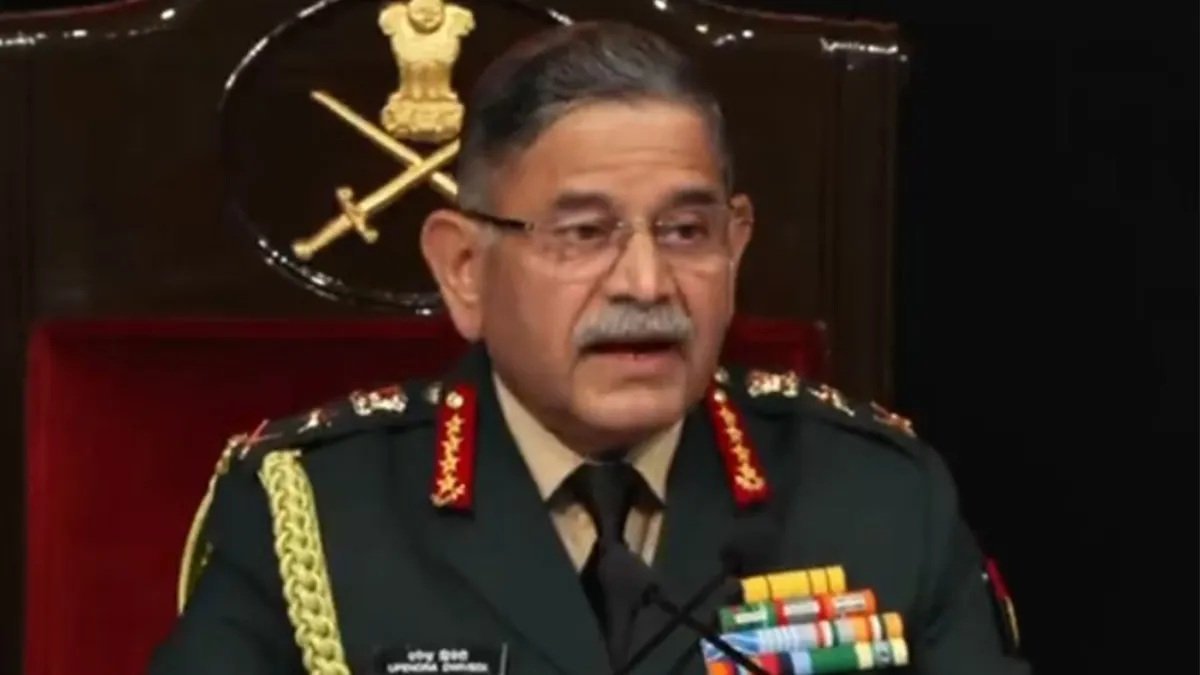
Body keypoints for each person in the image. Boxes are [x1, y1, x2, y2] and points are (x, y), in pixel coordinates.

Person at [148, 20, 1030, 675]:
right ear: (464, 269)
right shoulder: (316, 512)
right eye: (583, 233)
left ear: (735, 249)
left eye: (685, 231)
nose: (645, 283)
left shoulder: (879, 499)